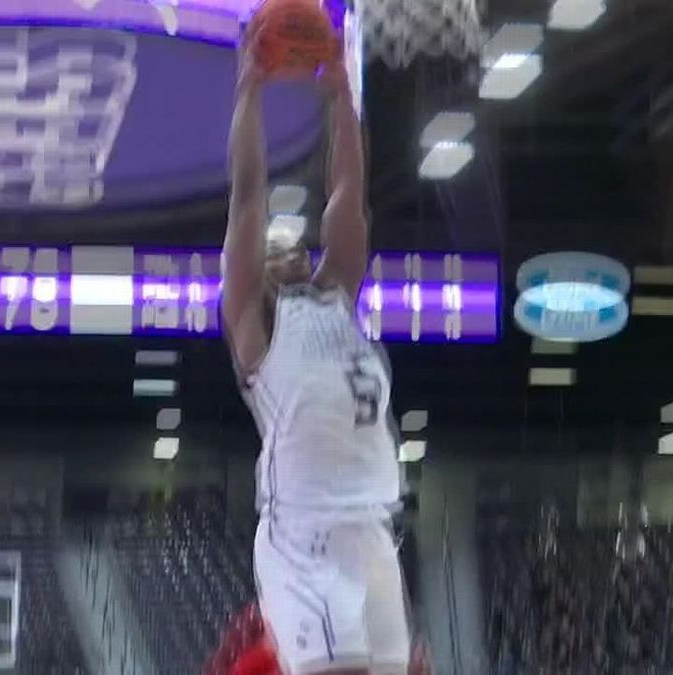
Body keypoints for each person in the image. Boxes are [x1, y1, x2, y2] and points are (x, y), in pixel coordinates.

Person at [219, 23, 423, 675]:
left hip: (371, 527)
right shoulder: (255, 323)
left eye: (293, 246)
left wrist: (341, 98)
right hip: (302, 537)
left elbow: (348, 202)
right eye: (274, 249)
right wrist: (249, 93)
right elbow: (249, 197)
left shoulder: (336, 295)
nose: (287, 250)